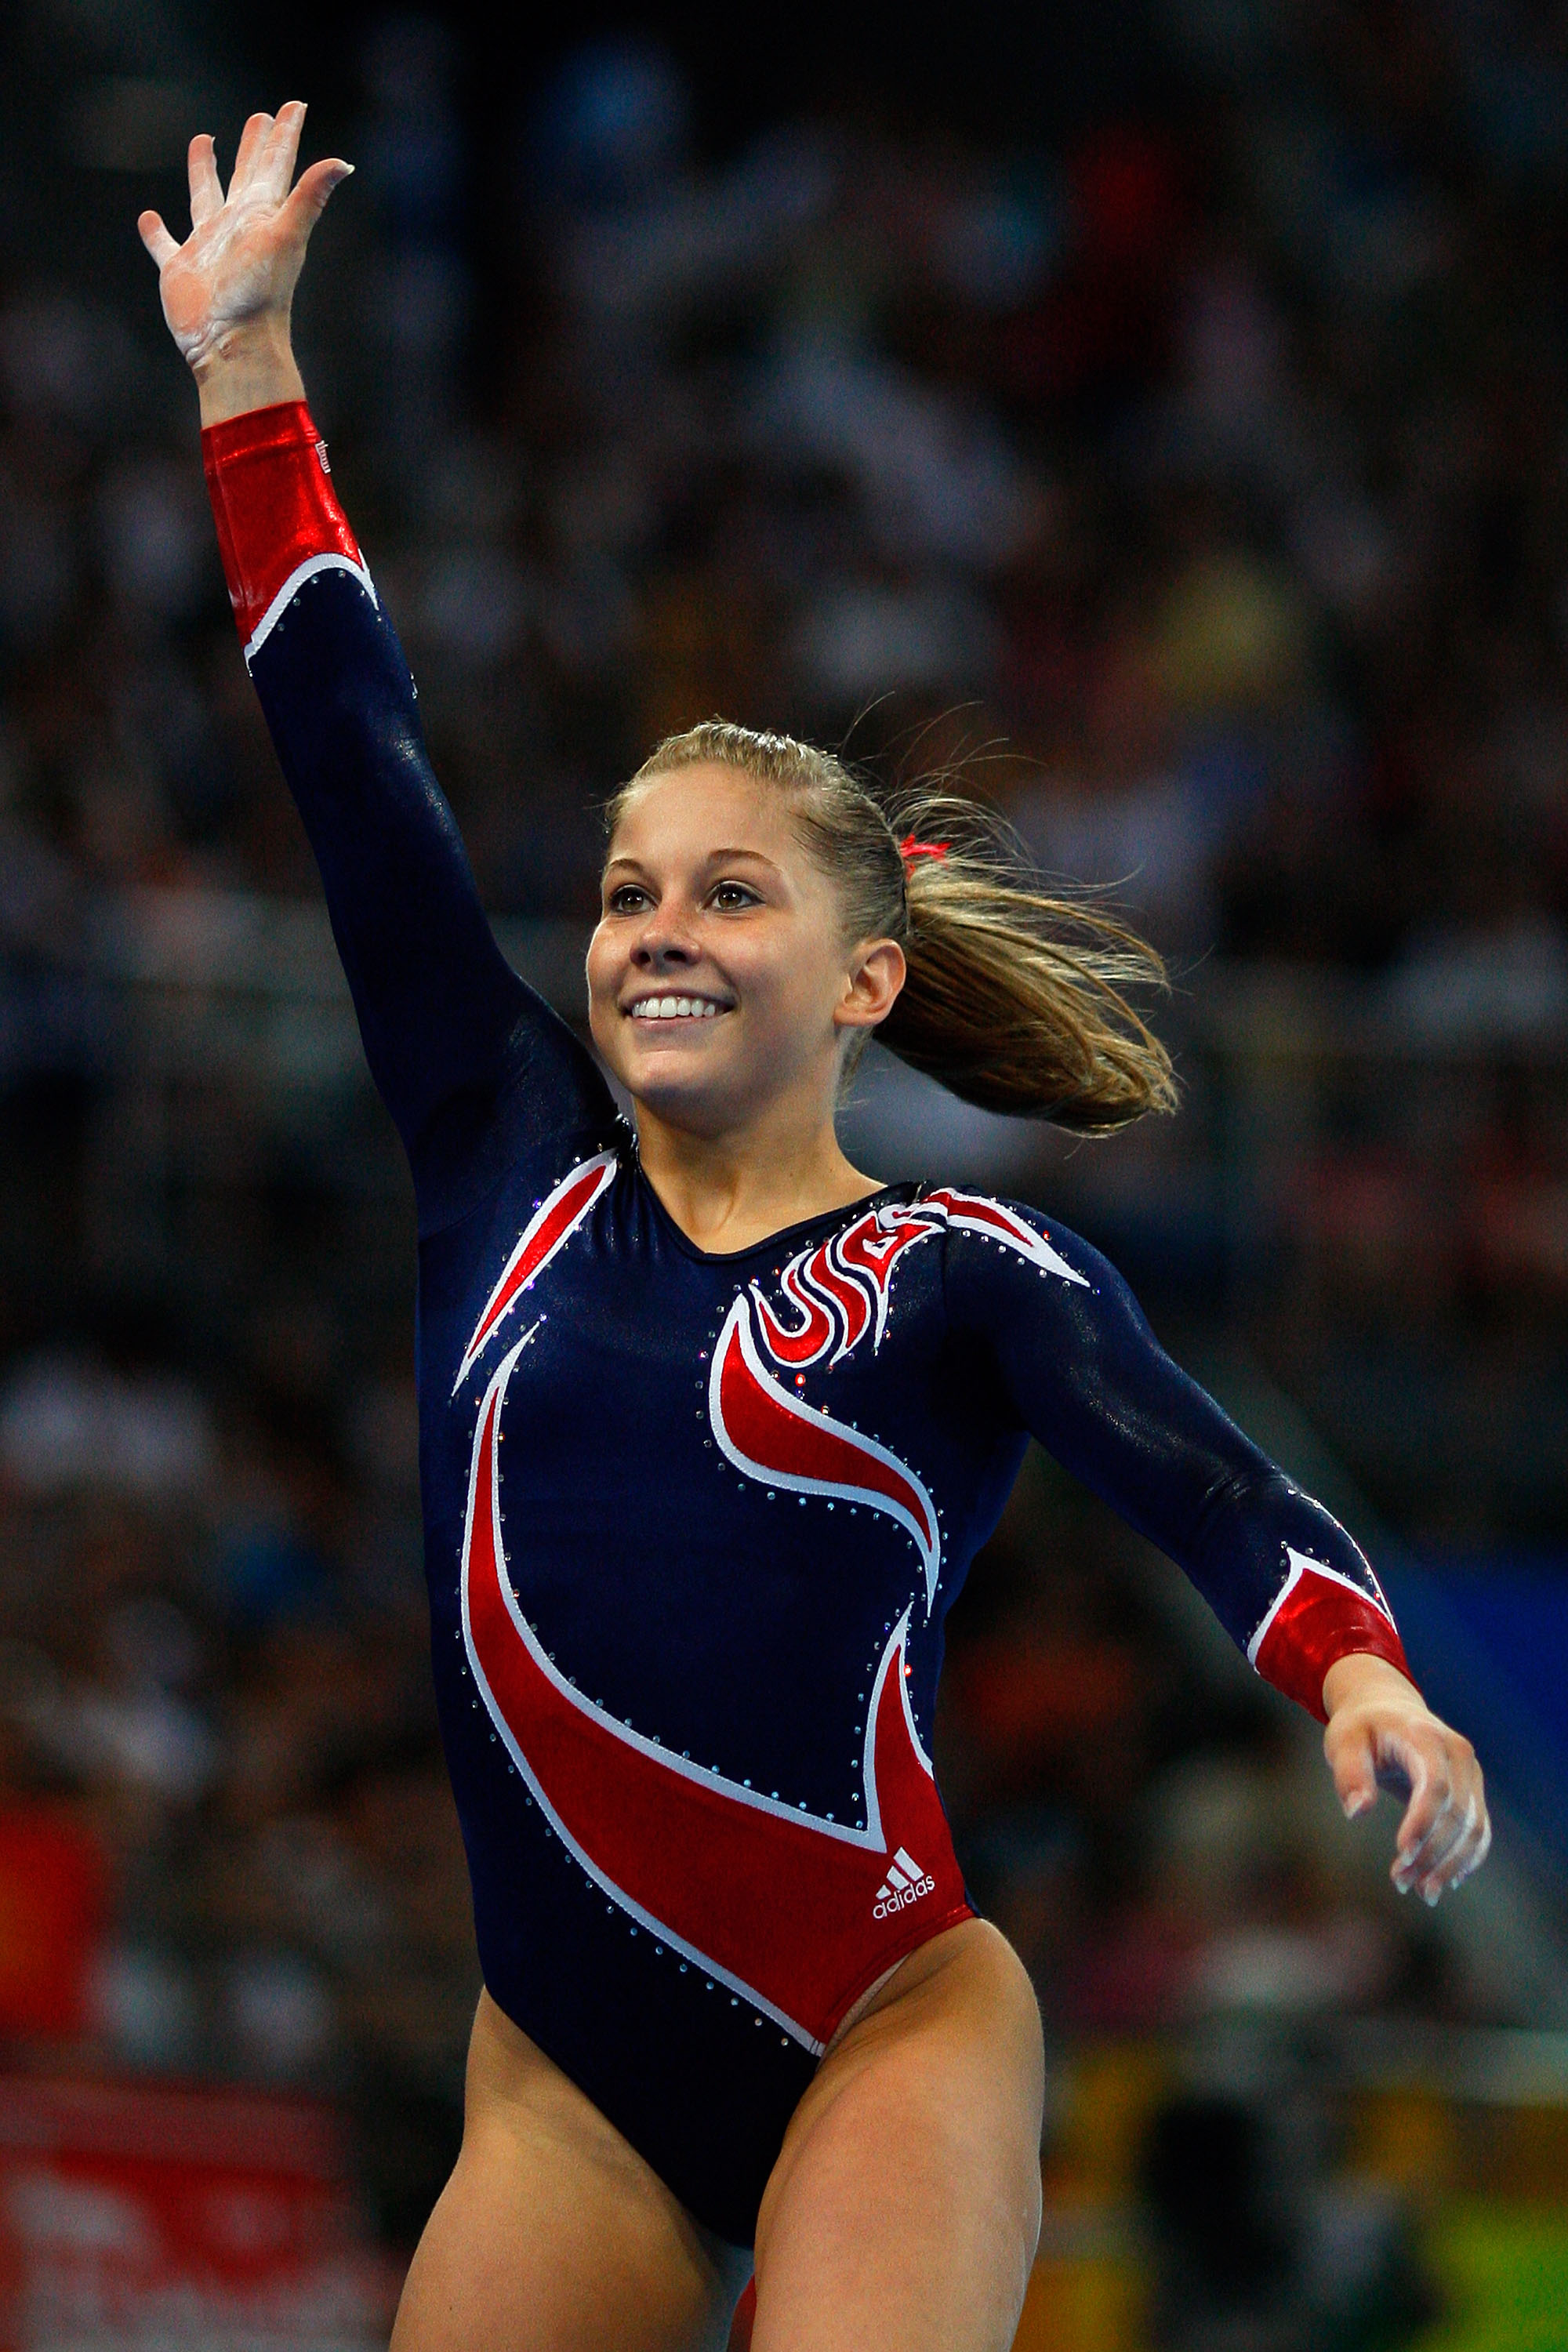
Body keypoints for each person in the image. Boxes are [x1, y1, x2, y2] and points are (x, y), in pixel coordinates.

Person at [139, 104, 1491, 2352]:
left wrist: (1363, 1677)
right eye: (625, 893)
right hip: (565, 2084)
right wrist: (246, 365)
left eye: (729, 893)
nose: (656, 932)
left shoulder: (963, 1269)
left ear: (865, 978)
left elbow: (1203, 1480)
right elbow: (353, 762)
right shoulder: (503, 1159)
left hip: (889, 2022)